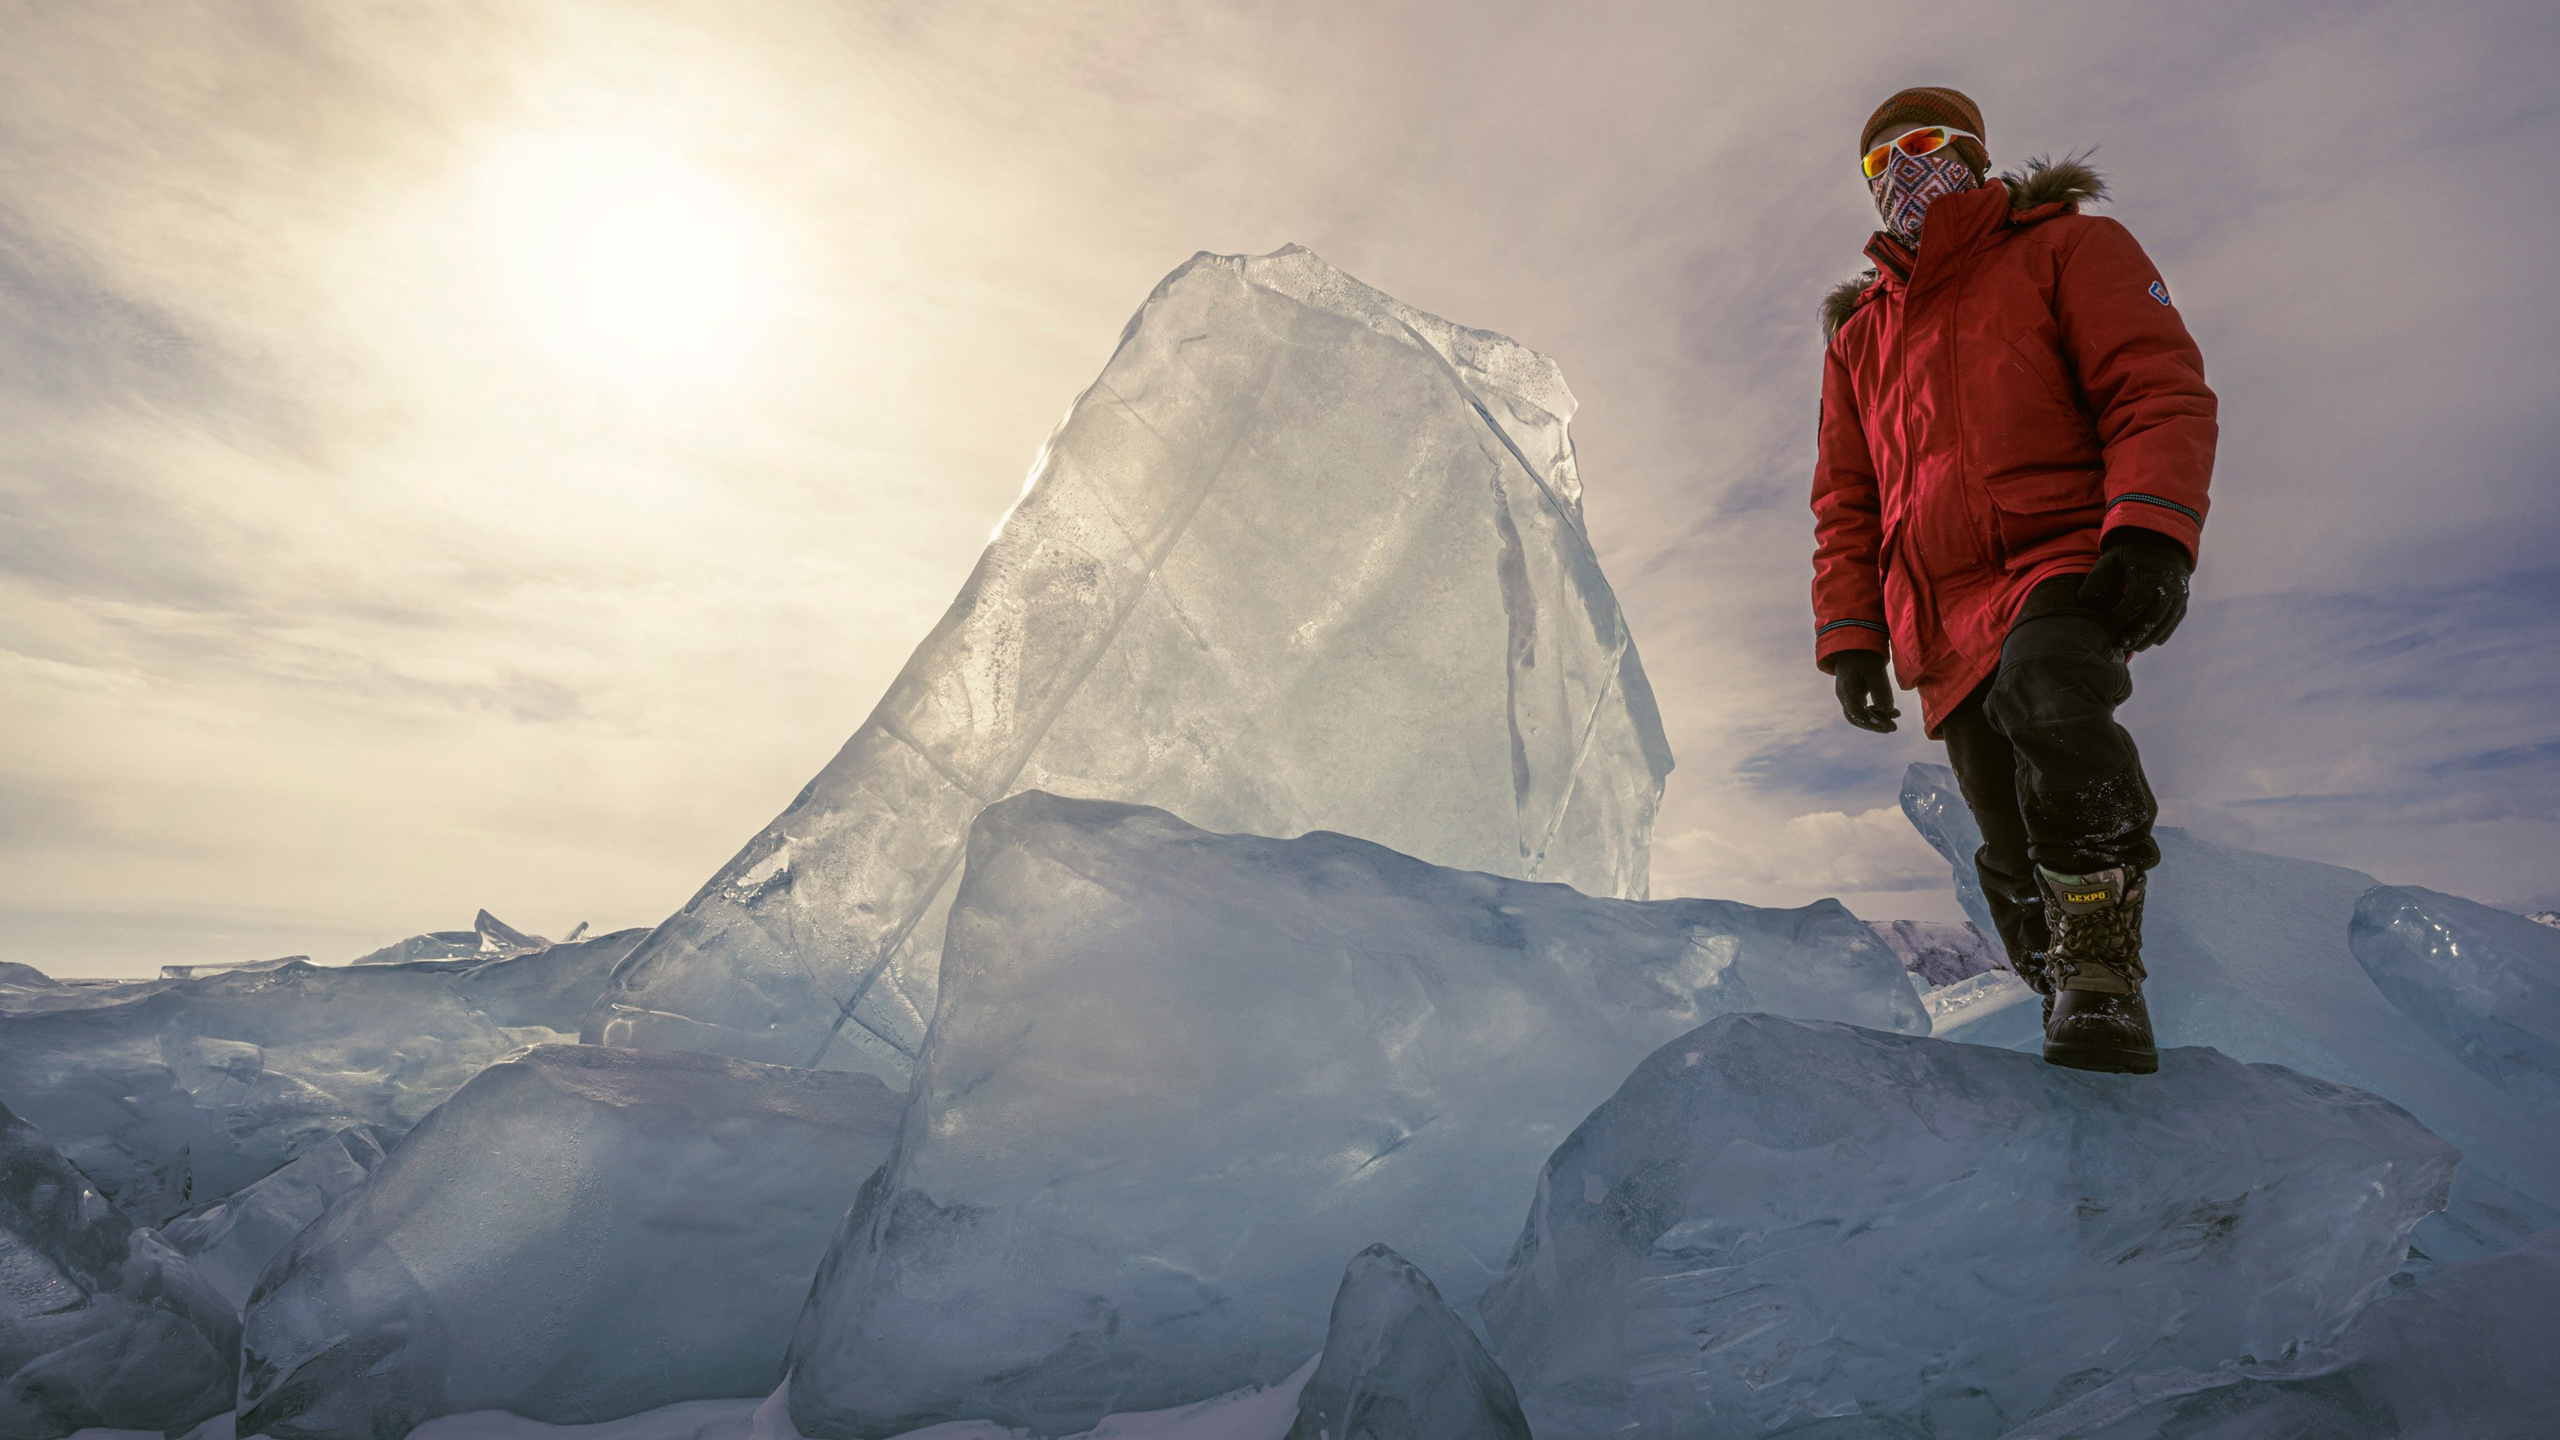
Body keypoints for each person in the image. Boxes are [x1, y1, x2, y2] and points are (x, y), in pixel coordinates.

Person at [1808, 86, 2217, 1075]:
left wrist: (2155, 530)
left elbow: (2153, 382)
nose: (1903, 172)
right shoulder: (1860, 339)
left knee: (2051, 697)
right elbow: (1845, 499)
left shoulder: (2063, 249)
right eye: (1878, 164)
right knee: (1999, 833)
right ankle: (2066, 1010)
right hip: (1939, 616)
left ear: (1972, 152)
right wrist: (1853, 635)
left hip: (2060, 554)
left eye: (1921, 146)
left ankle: (2104, 965)